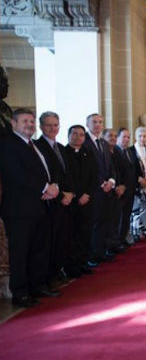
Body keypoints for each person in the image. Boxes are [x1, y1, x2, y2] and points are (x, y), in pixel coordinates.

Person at [0, 109, 60, 307]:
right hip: (19, 209)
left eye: (32, 121)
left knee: (39, 249)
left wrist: (54, 187)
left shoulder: (33, 145)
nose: (30, 125)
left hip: (41, 205)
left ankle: (38, 285)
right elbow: (16, 173)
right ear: (14, 123)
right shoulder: (8, 144)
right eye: (25, 121)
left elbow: (46, 171)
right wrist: (45, 188)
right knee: (21, 252)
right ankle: (20, 292)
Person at [35, 112, 74, 287]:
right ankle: (48, 276)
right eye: (49, 125)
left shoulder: (61, 147)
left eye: (56, 125)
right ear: (41, 126)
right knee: (49, 242)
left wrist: (70, 193)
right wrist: (60, 195)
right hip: (50, 201)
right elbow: (44, 175)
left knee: (61, 239)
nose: (53, 128)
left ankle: (58, 270)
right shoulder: (38, 146)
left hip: (65, 200)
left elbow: (67, 174)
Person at [84, 113, 117, 263]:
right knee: (94, 223)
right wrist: (102, 183)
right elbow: (88, 169)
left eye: (100, 122)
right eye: (94, 122)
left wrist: (111, 181)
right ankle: (91, 254)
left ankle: (101, 250)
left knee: (105, 221)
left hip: (107, 190)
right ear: (88, 124)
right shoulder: (84, 141)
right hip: (94, 190)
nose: (97, 125)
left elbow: (110, 166)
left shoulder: (103, 143)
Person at [65, 125, 98, 273]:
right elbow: (66, 178)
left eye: (81, 135)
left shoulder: (87, 153)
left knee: (86, 233)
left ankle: (84, 262)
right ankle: (72, 266)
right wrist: (77, 195)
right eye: (75, 134)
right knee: (72, 235)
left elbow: (93, 176)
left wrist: (87, 194)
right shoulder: (63, 153)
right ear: (68, 135)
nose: (78, 137)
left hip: (87, 200)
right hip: (72, 202)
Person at [104, 128, 128, 253]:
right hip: (109, 191)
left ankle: (114, 243)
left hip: (120, 191)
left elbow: (123, 172)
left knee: (116, 220)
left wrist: (122, 186)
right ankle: (108, 247)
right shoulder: (104, 152)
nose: (113, 138)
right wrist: (115, 186)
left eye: (114, 135)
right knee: (108, 221)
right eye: (110, 135)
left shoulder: (117, 152)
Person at [115, 128, 137, 246]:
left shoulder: (129, 151)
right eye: (124, 137)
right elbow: (116, 172)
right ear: (118, 138)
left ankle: (123, 238)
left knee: (126, 216)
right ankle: (117, 241)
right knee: (119, 217)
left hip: (130, 190)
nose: (126, 139)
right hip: (120, 190)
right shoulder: (115, 151)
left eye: (128, 137)